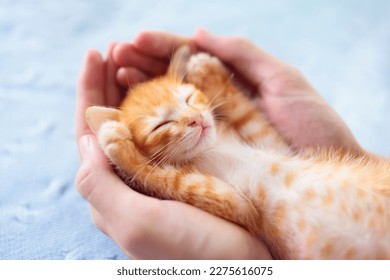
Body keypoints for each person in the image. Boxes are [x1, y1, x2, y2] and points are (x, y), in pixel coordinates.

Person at [75, 29, 364, 259]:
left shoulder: (220, 140)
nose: (193, 117)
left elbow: (276, 152)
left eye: (189, 99)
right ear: (140, 149)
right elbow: (237, 205)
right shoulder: (191, 172)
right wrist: (138, 168)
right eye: (161, 124)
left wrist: (228, 93)